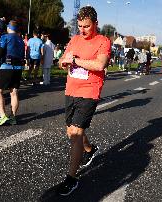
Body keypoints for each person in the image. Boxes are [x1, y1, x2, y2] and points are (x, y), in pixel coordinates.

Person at [57, 6, 111, 196]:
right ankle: (89, 150)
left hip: (89, 91)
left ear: (95, 23)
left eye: (86, 26)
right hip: (71, 89)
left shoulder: (103, 41)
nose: (82, 30)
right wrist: (64, 62)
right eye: (80, 26)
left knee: (77, 133)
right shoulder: (74, 39)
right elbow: (62, 61)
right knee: (71, 132)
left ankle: (71, 178)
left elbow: (100, 64)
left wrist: (76, 61)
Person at [0, 20, 25, 126]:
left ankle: (2, 116)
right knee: (14, 92)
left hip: (7, 67)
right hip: (18, 68)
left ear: (9, 27)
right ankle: (13, 117)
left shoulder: (5, 37)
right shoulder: (21, 40)